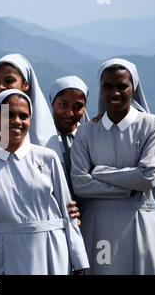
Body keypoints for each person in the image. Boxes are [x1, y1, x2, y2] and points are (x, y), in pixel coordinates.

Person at [0, 89, 89, 275]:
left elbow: (68, 213)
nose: (17, 121)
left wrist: (79, 260)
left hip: (50, 250)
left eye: (23, 116)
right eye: (9, 115)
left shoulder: (48, 157)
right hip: (2, 254)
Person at [70, 58, 155, 274]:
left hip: (141, 224)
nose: (115, 93)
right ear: (100, 89)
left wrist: (99, 172)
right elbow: (80, 184)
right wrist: (131, 187)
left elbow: (148, 177)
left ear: (134, 87)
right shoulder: (86, 132)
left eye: (122, 86)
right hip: (99, 228)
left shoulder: (152, 125)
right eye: (107, 86)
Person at [49, 76, 90, 216]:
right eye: (63, 105)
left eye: (78, 106)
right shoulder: (41, 141)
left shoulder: (90, 139)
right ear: (52, 103)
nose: (70, 113)